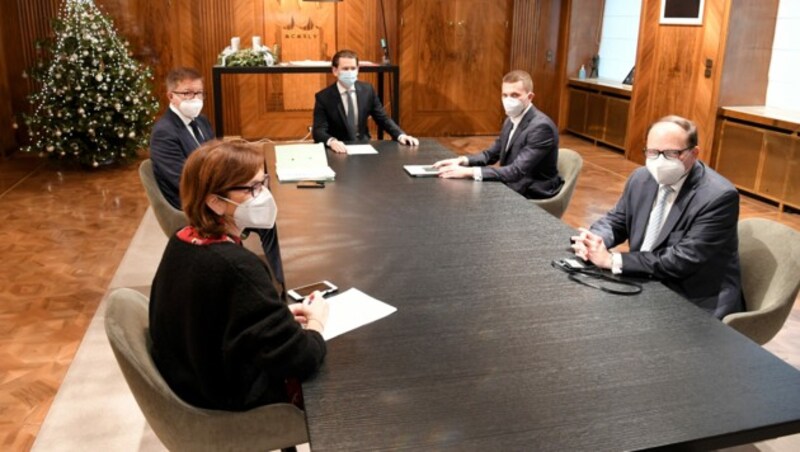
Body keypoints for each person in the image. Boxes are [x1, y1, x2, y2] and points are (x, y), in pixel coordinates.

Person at [149, 140, 328, 411]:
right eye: (252, 188)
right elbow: (300, 359)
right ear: (215, 202)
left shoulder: (182, 240)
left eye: (263, 183)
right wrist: (316, 324)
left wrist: (274, 316)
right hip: (229, 396)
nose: (264, 195)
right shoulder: (238, 266)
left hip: (194, 378)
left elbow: (225, 314)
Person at [571, 115, 743, 319]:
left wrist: (612, 260)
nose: (660, 161)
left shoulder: (718, 196)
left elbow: (683, 259)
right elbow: (616, 221)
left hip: (693, 296)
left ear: (694, 153)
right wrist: (594, 240)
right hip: (644, 278)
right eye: (653, 152)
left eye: (671, 153)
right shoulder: (641, 178)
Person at [149, 67, 284, 284]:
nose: (195, 99)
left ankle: (278, 277)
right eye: (187, 93)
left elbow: (218, 161)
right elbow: (183, 182)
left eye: (199, 93)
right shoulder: (164, 132)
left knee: (265, 213)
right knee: (258, 212)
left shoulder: (201, 122)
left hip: (214, 192)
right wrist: (228, 195)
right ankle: (274, 279)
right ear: (171, 96)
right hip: (195, 203)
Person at [432, 70, 563, 200]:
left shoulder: (541, 127)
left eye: (515, 95)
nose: (508, 100)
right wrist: (461, 161)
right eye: (504, 95)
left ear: (530, 97)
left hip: (533, 191)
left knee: (466, 194)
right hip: (515, 183)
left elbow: (516, 171)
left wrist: (469, 172)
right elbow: (490, 155)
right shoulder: (510, 120)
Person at [312, 49, 419, 153]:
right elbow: (318, 130)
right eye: (345, 69)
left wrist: (401, 135)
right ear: (335, 71)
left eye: (353, 68)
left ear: (358, 70)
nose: (350, 72)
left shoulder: (368, 91)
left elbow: (383, 118)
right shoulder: (323, 97)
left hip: (364, 146)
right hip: (338, 149)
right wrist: (332, 142)